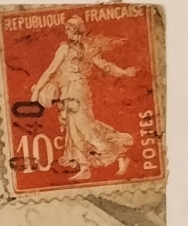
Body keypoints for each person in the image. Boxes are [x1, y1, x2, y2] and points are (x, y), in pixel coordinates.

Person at [30, 15, 137, 183]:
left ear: (77, 31)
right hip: (73, 91)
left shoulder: (69, 49)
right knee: (74, 129)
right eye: (67, 29)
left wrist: (36, 92)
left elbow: (51, 71)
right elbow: (105, 66)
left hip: (76, 91)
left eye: (70, 29)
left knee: (84, 127)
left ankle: (118, 155)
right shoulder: (82, 48)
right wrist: (123, 72)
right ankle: (84, 166)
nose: (68, 32)